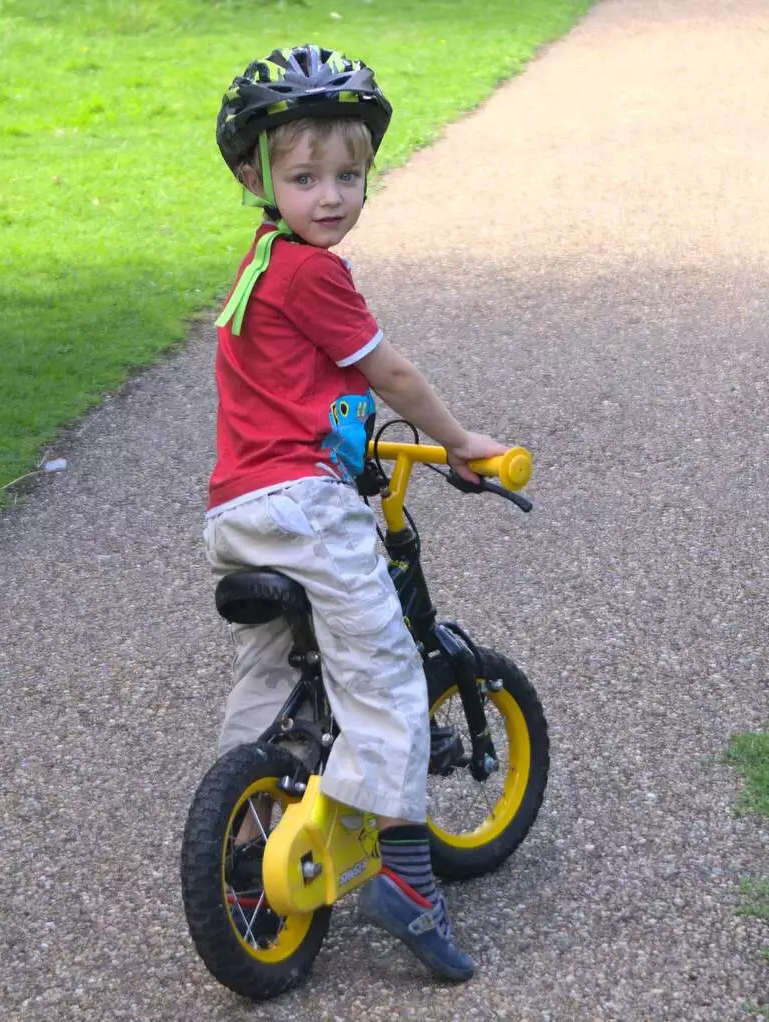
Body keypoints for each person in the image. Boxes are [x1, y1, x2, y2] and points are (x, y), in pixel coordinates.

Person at [204, 44, 506, 983]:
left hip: (238, 510)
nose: (329, 195)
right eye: (304, 178)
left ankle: (245, 817)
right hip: (303, 507)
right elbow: (393, 374)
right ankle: (407, 878)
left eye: (349, 175)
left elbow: (292, 389)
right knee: (385, 675)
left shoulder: (259, 260)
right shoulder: (312, 274)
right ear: (258, 177)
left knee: (272, 676)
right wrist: (462, 443)